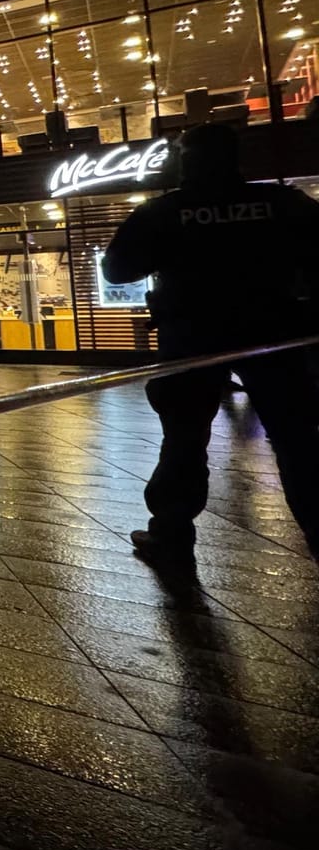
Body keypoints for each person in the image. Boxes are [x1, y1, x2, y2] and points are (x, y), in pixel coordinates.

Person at [102, 122, 319, 559]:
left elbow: (116, 270)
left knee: (184, 439)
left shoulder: (164, 212)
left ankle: (171, 532)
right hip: (275, 333)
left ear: (186, 161)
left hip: (191, 336)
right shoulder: (282, 203)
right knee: (298, 441)